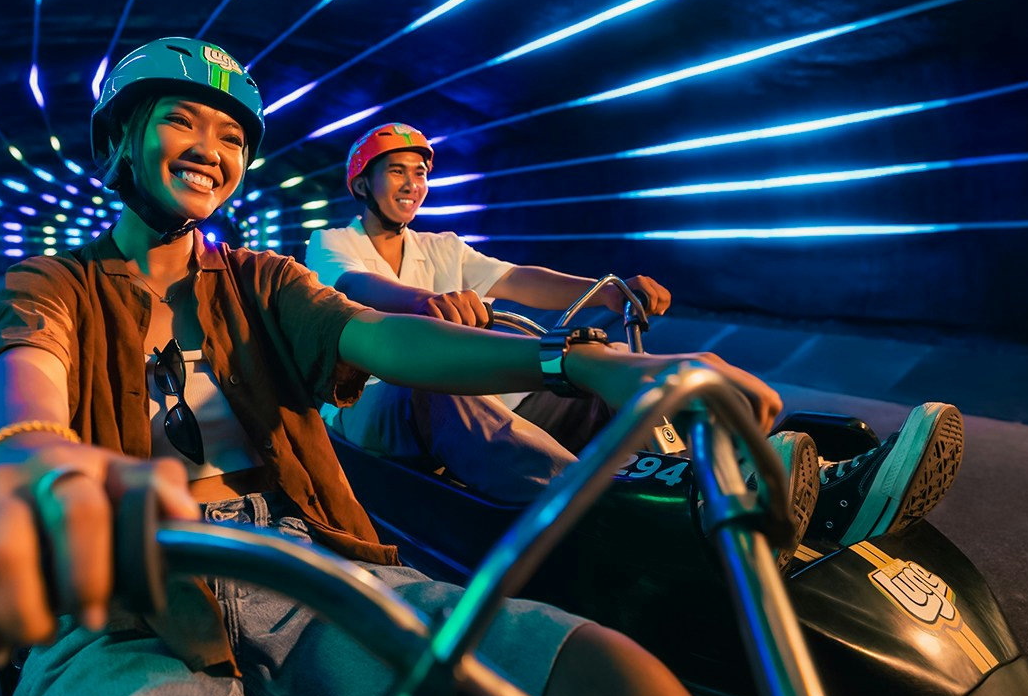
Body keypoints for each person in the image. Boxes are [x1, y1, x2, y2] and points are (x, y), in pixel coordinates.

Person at [0, 37, 801, 696]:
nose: (209, 148)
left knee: (605, 679)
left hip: (305, 562)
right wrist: (19, 463)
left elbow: (380, 339)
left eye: (229, 135)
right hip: (123, 591)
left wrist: (583, 356)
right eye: (181, 120)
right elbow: (27, 374)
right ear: (118, 147)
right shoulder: (60, 284)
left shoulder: (262, 281)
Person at [305, 122, 965, 551]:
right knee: (438, 386)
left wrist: (608, 289)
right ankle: (611, 516)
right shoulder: (332, 243)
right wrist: (427, 301)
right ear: (363, 181)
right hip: (379, 414)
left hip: (474, 401)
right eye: (398, 172)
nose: (413, 185)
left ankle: (801, 484)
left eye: (420, 173)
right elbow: (361, 291)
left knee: (603, 374)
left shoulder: (441, 244)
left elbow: (519, 279)